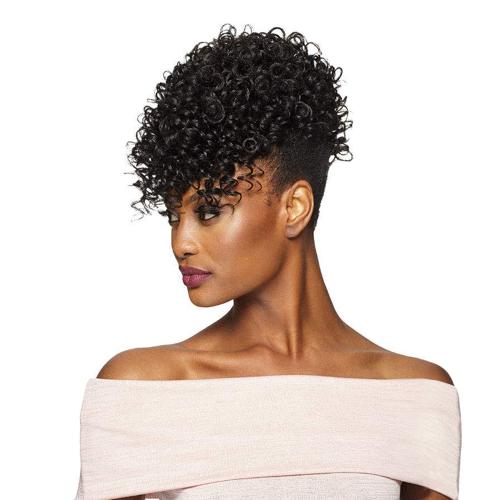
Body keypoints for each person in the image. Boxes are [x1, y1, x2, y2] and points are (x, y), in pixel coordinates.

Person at [74, 23, 462, 500]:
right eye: (174, 216)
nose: (181, 242)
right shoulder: (142, 388)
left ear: (294, 207)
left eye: (209, 211)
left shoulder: (415, 394)